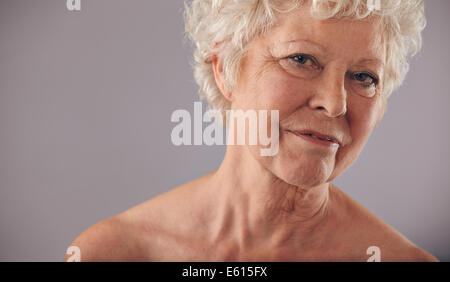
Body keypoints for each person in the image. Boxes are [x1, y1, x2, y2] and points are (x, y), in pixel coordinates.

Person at [64, 0, 438, 261]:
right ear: (225, 68)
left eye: (363, 77)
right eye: (302, 59)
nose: (335, 103)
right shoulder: (114, 253)